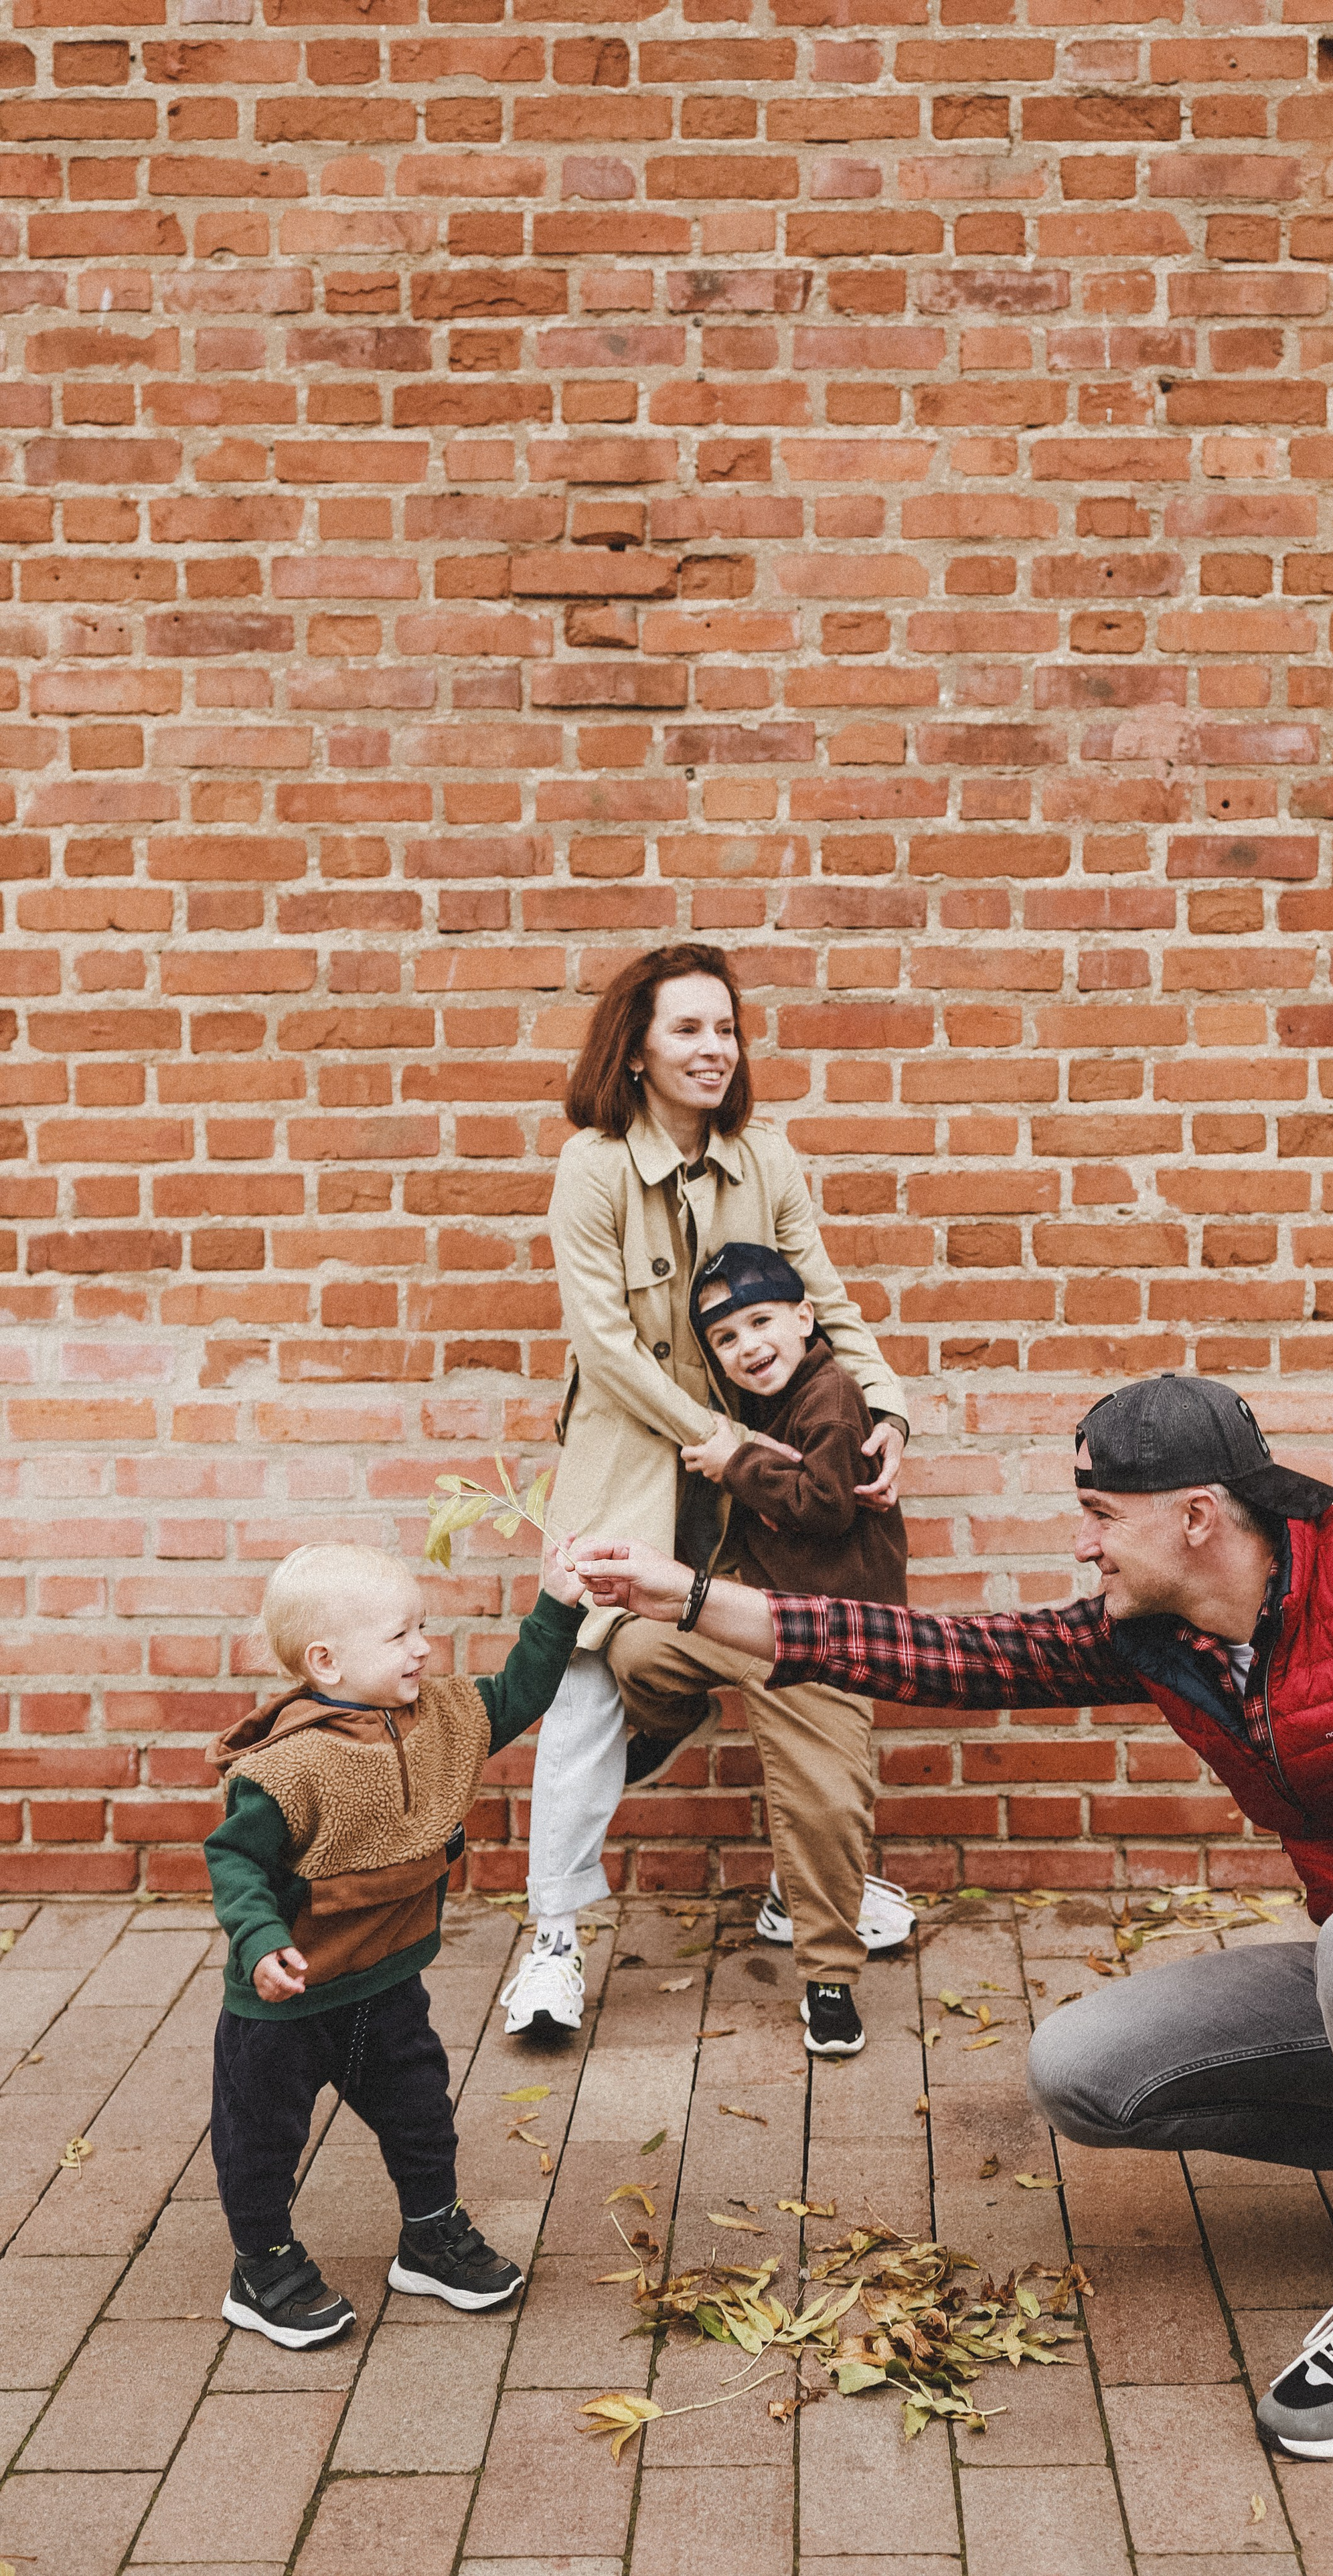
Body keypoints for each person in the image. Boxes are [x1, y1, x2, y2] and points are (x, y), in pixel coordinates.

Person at [572, 1372, 1333, 2461]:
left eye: (1101, 1513)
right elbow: (947, 1654)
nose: (1083, 1540)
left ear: (1200, 1516)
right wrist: (689, 1598)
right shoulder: (1169, 1640)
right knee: (1085, 2069)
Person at [501, 941, 915, 2044]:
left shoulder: (765, 1155)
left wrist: (887, 1412)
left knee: (793, 1658)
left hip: (751, 1459)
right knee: (594, 1674)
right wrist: (720, 1439)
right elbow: (604, 1340)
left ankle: (806, 1883)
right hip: (633, 1457)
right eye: (688, 1028)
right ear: (634, 1049)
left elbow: (823, 1289)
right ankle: (551, 1942)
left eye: (725, 1027)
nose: (714, 1048)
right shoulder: (592, 1166)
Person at [204, 1535, 586, 2348]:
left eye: (423, 1626)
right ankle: (261, 2262)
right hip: (288, 2003)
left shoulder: (440, 1718)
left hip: (386, 1984)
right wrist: (260, 1940)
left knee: (421, 2116)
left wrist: (557, 1602)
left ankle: (429, 2236)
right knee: (262, 2137)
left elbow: (519, 1690)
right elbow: (235, 1860)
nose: (424, 1647)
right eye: (400, 1635)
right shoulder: (289, 1769)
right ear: (327, 1660)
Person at [605, 1238, 912, 2057]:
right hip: (750, 1613)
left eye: (763, 1321)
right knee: (636, 1652)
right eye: (728, 1337)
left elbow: (825, 1507)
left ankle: (830, 1980)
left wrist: (737, 1460)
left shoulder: (834, 1396)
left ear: (805, 1318)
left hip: (829, 1632)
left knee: (824, 1800)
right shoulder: (761, 1399)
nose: (750, 1345)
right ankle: (670, 1720)